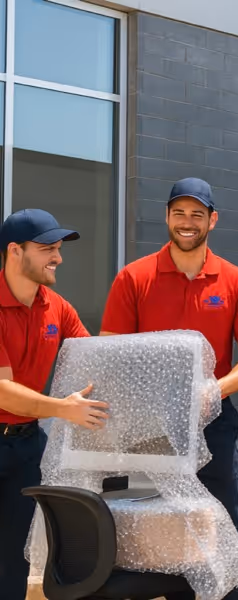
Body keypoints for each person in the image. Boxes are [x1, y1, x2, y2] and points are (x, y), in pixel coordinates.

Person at [100, 178, 238, 600]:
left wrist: (215, 389)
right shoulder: (134, 278)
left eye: (197, 214)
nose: (187, 223)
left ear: (213, 219)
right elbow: (109, 353)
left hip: (214, 422)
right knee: (161, 527)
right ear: (167, 217)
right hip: (151, 430)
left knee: (219, 522)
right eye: (179, 213)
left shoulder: (235, 280)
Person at [0, 209, 109, 600]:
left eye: (59, 249)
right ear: (15, 251)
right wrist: (64, 408)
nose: (58, 258)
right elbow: (2, 389)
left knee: (14, 553)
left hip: (27, 445)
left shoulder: (57, 308)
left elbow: (94, 362)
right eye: (48, 248)